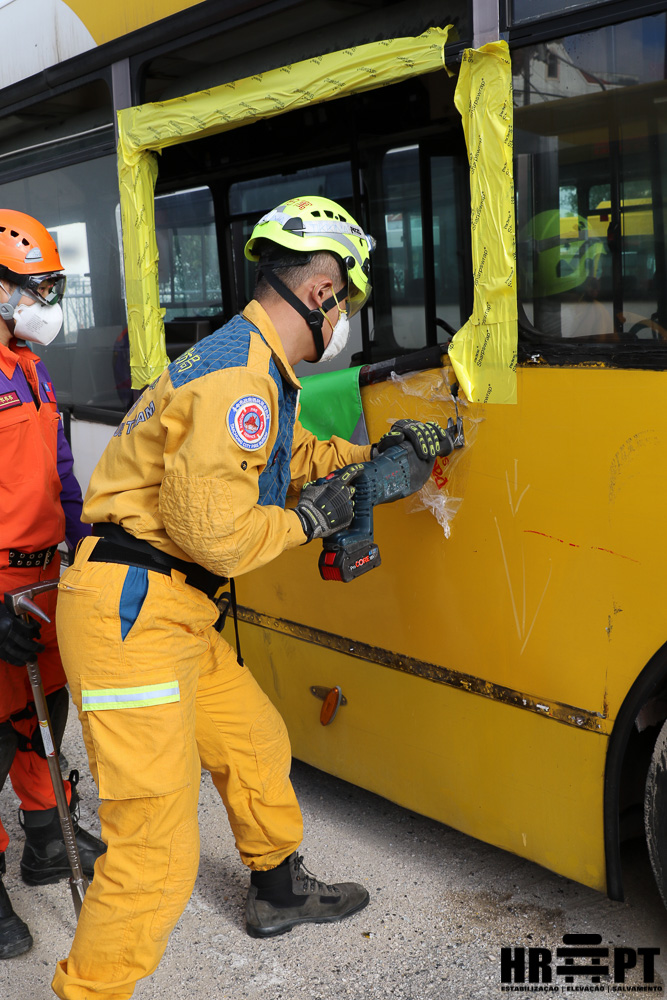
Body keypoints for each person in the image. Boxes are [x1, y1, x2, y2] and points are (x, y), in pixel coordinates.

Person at [52, 195, 449, 999]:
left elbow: (287, 451)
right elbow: (218, 539)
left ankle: (278, 894)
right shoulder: (238, 376)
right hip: (133, 612)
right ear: (322, 291)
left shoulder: (257, 365)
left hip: (171, 607)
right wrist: (312, 517)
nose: (350, 322)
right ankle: (89, 992)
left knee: (255, 744)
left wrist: (374, 458)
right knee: (154, 850)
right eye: (353, 302)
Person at [0, 210, 106, 960]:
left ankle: (48, 840)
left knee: (43, 717)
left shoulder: (29, 368)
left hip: (46, 581)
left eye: (55, 287)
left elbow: (59, 475)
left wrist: (87, 545)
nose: (49, 303)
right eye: (37, 288)